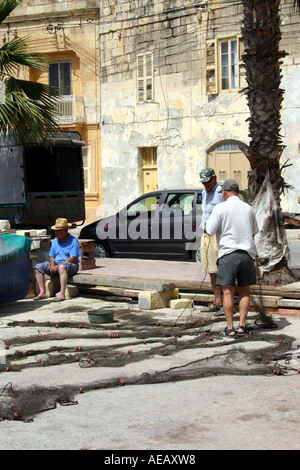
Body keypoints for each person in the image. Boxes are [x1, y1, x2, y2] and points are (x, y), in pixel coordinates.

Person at [206, 179, 259, 337]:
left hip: (228, 254)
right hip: (247, 254)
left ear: (224, 192)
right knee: (245, 292)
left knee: (227, 293)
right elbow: (254, 231)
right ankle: (242, 325)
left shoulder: (220, 207)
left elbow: (209, 230)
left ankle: (230, 328)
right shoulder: (248, 208)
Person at [34, 218, 81, 302]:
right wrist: (52, 265)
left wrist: (58, 266)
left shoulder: (73, 240)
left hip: (71, 265)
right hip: (57, 265)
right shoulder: (55, 241)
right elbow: (52, 256)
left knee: (62, 267)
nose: (56, 233)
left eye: (59, 230)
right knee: (39, 267)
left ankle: (62, 293)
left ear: (66, 231)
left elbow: (72, 258)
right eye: (56, 230)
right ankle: (42, 292)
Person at [199, 167, 224, 314]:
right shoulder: (204, 191)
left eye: (208, 182)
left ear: (214, 178)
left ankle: (226, 303)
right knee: (210, 269)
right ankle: (217, 300)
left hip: (217, 234)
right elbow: (205, 212)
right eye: (203, 182)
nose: (206, 185)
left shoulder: (221, 192)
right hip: (206, 233)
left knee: (221, 269)